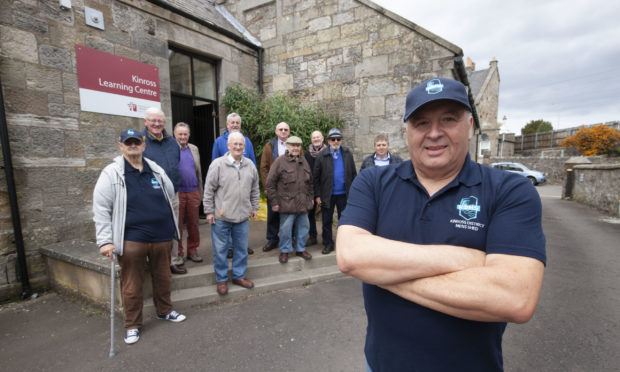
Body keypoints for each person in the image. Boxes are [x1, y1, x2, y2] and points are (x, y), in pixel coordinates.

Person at [336, 77, 546, 371]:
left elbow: (514, 297)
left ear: (470, 125)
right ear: (407, 131)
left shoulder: (509, 190)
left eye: (448, 119)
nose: (434, 133)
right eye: (421, 123)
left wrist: (381, 272)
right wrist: (462, 258)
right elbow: (350, 256)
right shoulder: (374, 182)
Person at [93, 129, 187, 345]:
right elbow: (101, 208)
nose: (133, 146)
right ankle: (132, 325)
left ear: (144, 145)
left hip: (162, 237)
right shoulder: (112, 173)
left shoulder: (154, 169)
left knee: (163, 278)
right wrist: (106, 240)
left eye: (137, 142)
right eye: (129, 143)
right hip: (132, 239)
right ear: (120, 146)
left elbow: (170, 191)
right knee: (132, 284)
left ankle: (165, 311)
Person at [203, 132, 259, 296]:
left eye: (241, 144)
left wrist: (254, 207)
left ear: (245, 146)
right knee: (220, 250)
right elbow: (208, 190)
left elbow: (255, 188)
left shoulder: (249, 165)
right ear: (228, 145)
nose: (238, 147)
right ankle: (221, 279)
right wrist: (208, 211)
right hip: (221, 216)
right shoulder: (218, 164)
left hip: (242, 216)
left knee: (241, 249)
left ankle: (238, 276)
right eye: (234, 144)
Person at [141, 107, 186, 275]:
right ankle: (155, 264)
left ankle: (173, 261)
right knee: (154, 230)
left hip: (172, 194)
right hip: (151, 197)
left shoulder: (172, 142)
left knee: (173, 228)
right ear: (146, 122)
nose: (157, 124)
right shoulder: (141, 142)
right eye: (153, 120)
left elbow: (176, 163)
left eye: (160, 120)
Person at [212, 113, 256, 257]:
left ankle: (241, 246)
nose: (235, 124)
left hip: (243, 186)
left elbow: (252, 163)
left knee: (242, 219)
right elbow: (214, 163)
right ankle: (229, 248)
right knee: (227, 218)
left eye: (237, 122)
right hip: (226, 190)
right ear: (227, 124)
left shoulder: (247, 141)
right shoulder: (219, 141)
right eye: (232, 122)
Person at [265, 136, 314, 264]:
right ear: (287, 146)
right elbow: (270, 183)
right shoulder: (279, 162)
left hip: (303, 203)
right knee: (285, 229)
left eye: (298, 146)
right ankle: (285, 251)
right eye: (292, 145)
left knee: (303, 227)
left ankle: (300, 249)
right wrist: (274, 202)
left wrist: (310, 199)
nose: (295, 148)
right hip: (286, 203)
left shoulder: (304, 161)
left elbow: (310, 183)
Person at [313, 128, 356, 254]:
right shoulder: (322, 155)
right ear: (328, 141)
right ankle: (328, 243)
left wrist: (354, 192)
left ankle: (345, 243)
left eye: (338, 139)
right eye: (333, 139)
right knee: (326, 221)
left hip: (344, 194)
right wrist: (317, 195)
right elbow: (315, 178)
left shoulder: (347, 153)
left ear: (341, 140)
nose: (335, 141)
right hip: (328, 195)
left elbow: (353, 174)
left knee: (345, 221)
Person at [173, 122, 203, 263]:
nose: (183, 137)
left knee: (193, 224)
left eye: (185, 134)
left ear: (189, 135)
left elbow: (199, 172)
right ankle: (178, 252)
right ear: (175, 135)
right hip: (177, 193)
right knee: (177, 225)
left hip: (193, 191)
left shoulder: (194, 149)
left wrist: (200, 192)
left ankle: (192, 250)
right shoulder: (171, 148)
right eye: (180, 134)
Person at [259, 122, 290, 252]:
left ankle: (289, 237)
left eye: (286, 129)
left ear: (289, 132)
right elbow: (264, 167)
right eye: (280, 129)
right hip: (274, 187)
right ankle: (272, 239)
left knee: (289, 214)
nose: (283, 131)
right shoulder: (269, 146)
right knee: (273, 214)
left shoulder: (295, 145)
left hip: (290, 188)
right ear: (276, 132)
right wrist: (267, 186)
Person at [303, 130, 326, 247]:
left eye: (318, 137)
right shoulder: (307, 155)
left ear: (322, 138)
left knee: (327, 213)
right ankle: (313, 236)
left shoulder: (328, 153)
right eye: (314, 138)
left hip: (326, 188)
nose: (316, 139)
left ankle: (327, 237)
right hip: (310, 189)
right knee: (310, 214)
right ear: (311, 140)